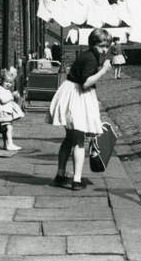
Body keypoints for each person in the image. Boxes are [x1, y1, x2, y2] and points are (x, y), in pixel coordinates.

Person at [47, 28, 112, 190]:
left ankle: (60, 174)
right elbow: (86, 83)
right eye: (101, 46)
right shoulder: (91, 58)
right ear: (93, 44)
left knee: (69, 139)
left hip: (71, 94)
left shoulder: (89, 55)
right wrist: (103, 71)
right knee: (79, 140)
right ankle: (76, 180)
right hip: (77, 96)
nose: (104, 49)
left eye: (107, 46)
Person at [0, 69, 25, 151]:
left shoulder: (6, 90)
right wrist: (11, 96)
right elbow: (3, 100)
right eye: (6, 82)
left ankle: (6, 144)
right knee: (9, 128)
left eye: (10, 83)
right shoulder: (0, 89)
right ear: (2, 81)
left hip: (7, 112)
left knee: (7, 129)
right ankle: (9, 144)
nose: (8, 84)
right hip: (3, 113)